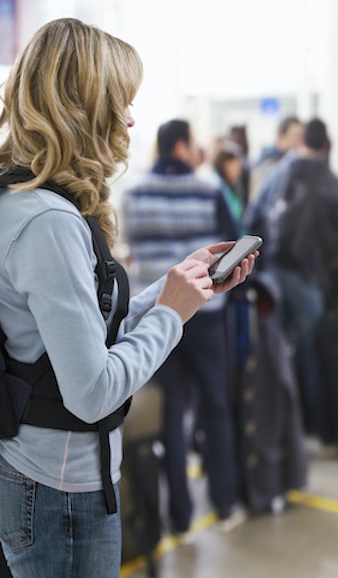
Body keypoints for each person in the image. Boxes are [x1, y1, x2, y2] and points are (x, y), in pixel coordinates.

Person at [0, 19, 254, 578]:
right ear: (83, 105)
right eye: (121, 102)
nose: (130, 118)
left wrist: (176, 286)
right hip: (58, 494)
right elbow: (92, 392)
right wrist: (173, 315)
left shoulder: (33, 202)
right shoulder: (48, 221)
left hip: (58, 482)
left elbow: (88, 330)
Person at [124, 119, 249, 541]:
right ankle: (226, 501)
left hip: (158, 315)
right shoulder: (208, 188)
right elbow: (230, 247)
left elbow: (131, 249)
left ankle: (179, 515)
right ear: (180, 146)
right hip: (207, 316)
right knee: (215, 405)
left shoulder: (134, 193)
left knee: (171, 412)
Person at [257, 118, 338, 446]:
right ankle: (315, 427)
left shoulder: (277, 175)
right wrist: (325, 265)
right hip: (306, 277)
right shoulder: (330, 181)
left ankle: (279, 429)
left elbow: (253, 219)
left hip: (271, 274)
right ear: (326, 145)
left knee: (274, 353)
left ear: (302, 144)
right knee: (311, 351)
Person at [249, 115, 304, 204]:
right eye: (295, 136)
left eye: (302, 137)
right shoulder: (265, 167)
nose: (299, 142)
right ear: (280, 137)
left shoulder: (300, 166)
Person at [212, 140, 247, 230]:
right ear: (226, 164)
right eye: (236, 163)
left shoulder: (234, 185)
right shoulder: (216, 186)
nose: (239, 167)